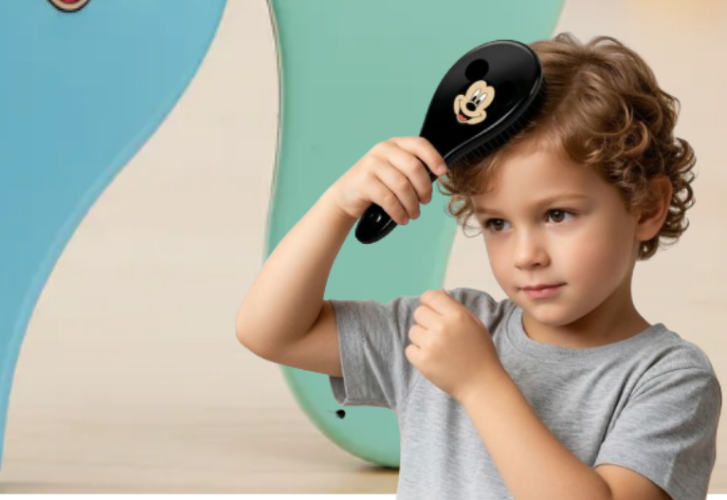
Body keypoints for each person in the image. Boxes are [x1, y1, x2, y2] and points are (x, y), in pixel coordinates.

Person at [236, 33, 721, 500]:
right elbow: (271, 332)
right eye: (497, 223)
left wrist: (480, 384)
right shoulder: (447, 332)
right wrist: (339, 205)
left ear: (647, 207)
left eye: (557, 215)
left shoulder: (669, 379)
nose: (526, 255)